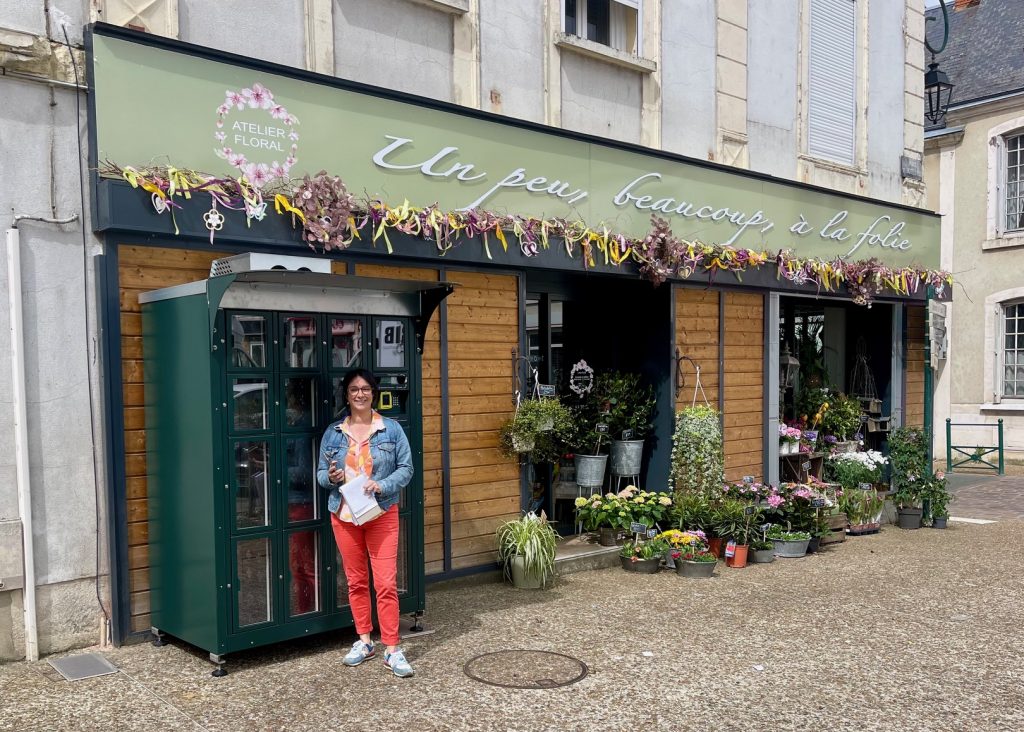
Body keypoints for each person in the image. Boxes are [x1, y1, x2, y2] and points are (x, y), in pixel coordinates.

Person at [317, 369, 415, 678]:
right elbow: (321, 475)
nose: (360, 394)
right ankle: (364, 641)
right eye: (354, 389)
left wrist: (382, 485)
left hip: (381, 514)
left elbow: (407, 468)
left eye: (365, 389)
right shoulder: (333, 433)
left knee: (385, 583)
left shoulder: (392, 429)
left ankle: (392, 648)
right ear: (346, 394)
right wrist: (330, 478)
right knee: (356, 581)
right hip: (344, 515)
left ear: (373, 393)